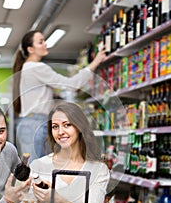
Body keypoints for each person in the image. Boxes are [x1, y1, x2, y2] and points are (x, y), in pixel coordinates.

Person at [12, 30, 106, 163]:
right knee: (40, 171)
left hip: (28, 124)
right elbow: (71, 84)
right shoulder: (37, 67)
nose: (45, 44)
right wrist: (95, 62)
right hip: (36, 124)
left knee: (35, 170)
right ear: (30, 49)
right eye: (40, 42)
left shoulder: (26, 68)